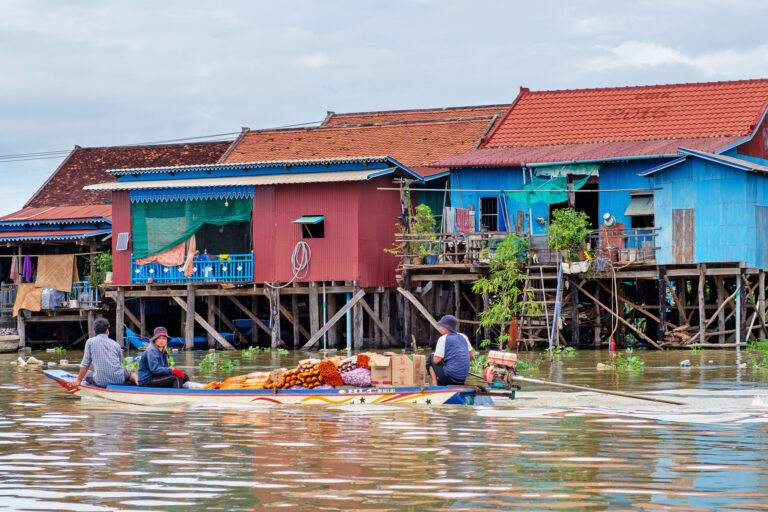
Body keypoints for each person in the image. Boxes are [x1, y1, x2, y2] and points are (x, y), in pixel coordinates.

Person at [72, 318, 138, 388]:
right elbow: (120, 362)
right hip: (119, 380)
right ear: (107, 331)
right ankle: (137, 380)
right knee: (130, 373)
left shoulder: (90, 342)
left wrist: (79, 380)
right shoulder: (116, 344)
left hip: (100, 381)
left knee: (87, 373)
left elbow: (85, 364)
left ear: (94, 332)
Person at [426, 314, 475, 386]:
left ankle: (434, 385)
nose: (440, 327)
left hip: (449, 377)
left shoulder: (443, 338)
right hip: (461, 380)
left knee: (431, 358)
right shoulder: (463, 336)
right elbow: (472, 357)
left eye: (441, 326)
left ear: (446, 327)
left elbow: (436, 360)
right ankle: (441, 384)